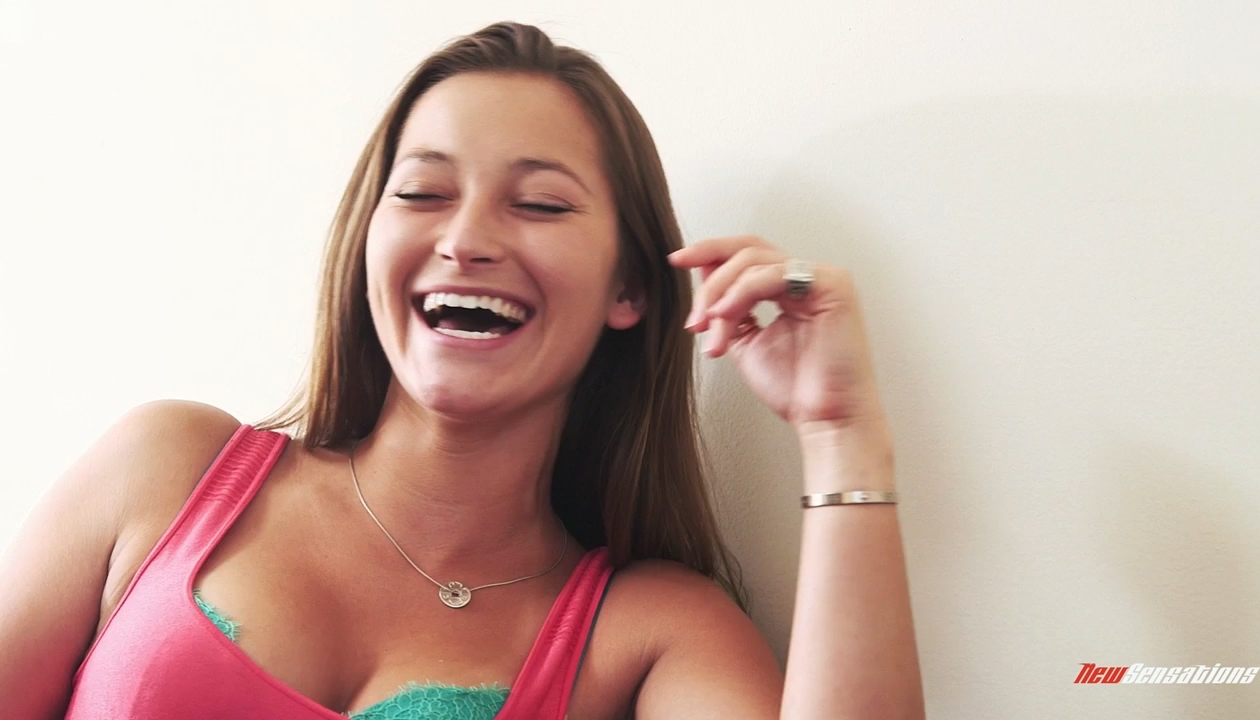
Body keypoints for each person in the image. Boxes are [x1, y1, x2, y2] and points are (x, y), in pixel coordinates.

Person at [0, 21, 924, 720]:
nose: (467, 238)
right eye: (423, 192)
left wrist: (840, 437)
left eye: (541, 205)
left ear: (630, 288)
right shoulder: (168, 468)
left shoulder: (654, 635)